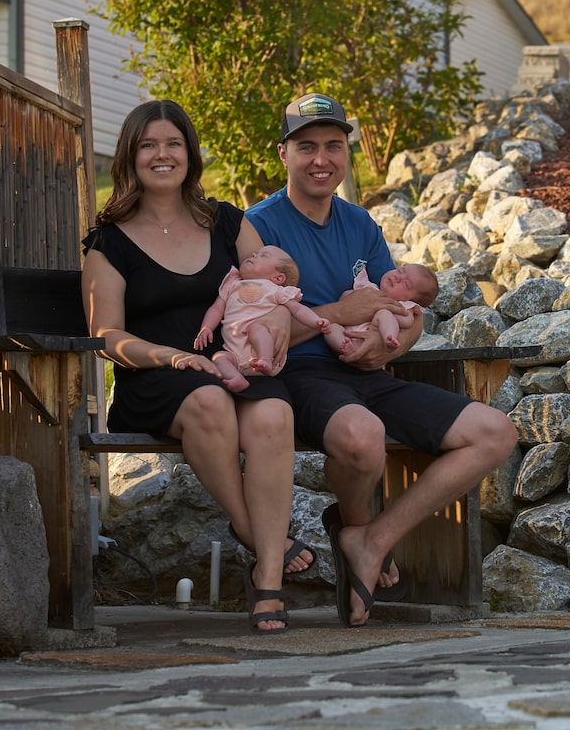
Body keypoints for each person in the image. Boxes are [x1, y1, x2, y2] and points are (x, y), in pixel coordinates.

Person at [246, 92, 518, 628]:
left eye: (333, 146)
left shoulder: (361, 224)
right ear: (283, 153)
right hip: (299, 377)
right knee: (363, 437)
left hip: (370, 373)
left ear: (346, 154)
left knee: (496, 433)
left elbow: (405, 310)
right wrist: (339, 312)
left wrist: (394, 340)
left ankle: (371, 537)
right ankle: (360, 528)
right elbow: (252, 325)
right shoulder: (257, 227)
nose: (321, 158)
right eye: (306, 146)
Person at [81, 99, 315, 633]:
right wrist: (173, 355)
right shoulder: (109, 242)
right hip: (156, 377)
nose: (162, 155)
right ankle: (260, 535)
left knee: (275, 417)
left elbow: (269, 290)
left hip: (235, 363)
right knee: (209, 400)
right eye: (148, 145)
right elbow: (105, 335)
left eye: (173, 143)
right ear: (129, 157)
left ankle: (268, 582)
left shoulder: (227, 222)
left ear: (190, 153)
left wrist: (278, 326)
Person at [194, 245, 330, 391]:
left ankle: (264, 360)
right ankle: (236, 378)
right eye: (255, 253)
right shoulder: (232, 284)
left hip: (265, 350)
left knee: (256, 328)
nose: (253, 255)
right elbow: (217, 308)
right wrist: (206, 327)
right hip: (235, 354)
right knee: (219, 357)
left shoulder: (275, 290)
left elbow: (298, 309)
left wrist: (316, 321)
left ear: (278, 277)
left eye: (263, 255)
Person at [324, 263, 438, 355]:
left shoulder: (400, 306)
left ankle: (389, 338)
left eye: (406, 284)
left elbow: (407, 321)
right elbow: (344, 298)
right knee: (331, 327)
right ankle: (346, 347)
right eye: (399, 271)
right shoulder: (369, 288)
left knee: (384, 314)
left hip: (372, 339)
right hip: (348, 336)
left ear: (411, 301)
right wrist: (350, 298)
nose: (397, 277)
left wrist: (385, 309)